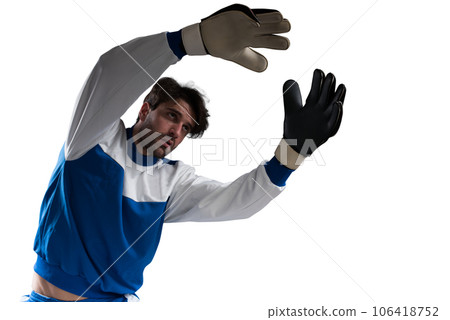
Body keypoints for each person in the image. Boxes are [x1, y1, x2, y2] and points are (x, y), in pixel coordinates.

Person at [25, 4, 346, 302]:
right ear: (145, 109)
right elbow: (110, 74)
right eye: (172, 116)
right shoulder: (92, 138)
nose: (176, 132)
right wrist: (189, 40)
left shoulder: (173, 181)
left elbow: (237, 201)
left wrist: (292, 152)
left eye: (186, 129)